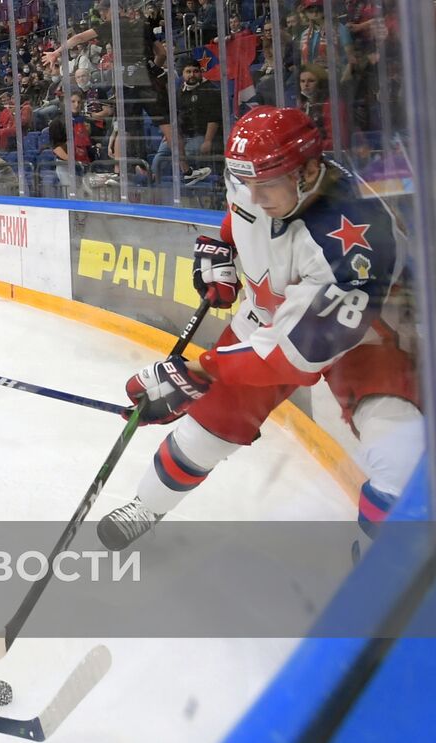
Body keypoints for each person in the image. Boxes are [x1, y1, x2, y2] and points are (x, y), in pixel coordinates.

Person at [98, 107, 423, 549]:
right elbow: (241, 212)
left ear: (309, 171)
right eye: (245, 183)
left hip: (365, 336)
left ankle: (377, 567)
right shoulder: (259, 178)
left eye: (265, 186)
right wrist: (220, 247)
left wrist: (201, 371)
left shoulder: (356, 239)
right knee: (204, 432)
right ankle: (147, 505)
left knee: (401, 458)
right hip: (269, 320)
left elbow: (295, 353)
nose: (253, 195)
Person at [46, 0, 211, 185]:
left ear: (113, 11)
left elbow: (78, 38)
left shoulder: (110, 26)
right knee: (168, 127)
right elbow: (162, 53)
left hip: (127, 84)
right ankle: (187, 171)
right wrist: (150, 70)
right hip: (148, 82)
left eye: (104, 13)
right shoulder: (144, 25)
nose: (103, 17)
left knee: (123, 131)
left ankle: (118, 173)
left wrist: (56, 53)